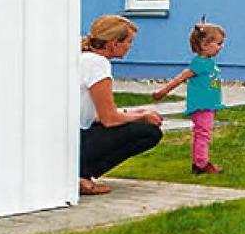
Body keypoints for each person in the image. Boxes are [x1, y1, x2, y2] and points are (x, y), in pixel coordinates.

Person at [78, 15, 164, 196]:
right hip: (78, 139)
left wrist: (132, 112)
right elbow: (109, 119)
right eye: (128, 42)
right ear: (113, 44)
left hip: (70, 135)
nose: (130, 46)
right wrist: (142, 116)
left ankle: (80, 172)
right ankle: (81, 173)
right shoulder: (98, 64)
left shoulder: (83, 58)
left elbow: (97, 114)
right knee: (149, 132)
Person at [152, 21, 228, 174]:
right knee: (203, 134)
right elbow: (180, 78)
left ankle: (199, 162)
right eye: (219, 43)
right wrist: (163, 91)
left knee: (202, 133)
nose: (221, 47)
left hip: (208, 105)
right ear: (205, 44)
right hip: (201, 106)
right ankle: (201, 164)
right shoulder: (199, 63)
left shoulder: (208, 62)